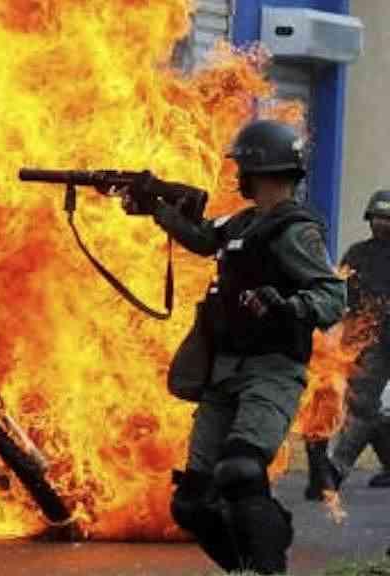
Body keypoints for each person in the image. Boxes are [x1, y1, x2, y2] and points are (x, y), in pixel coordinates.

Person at [127, 119, 347, 574]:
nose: (237, 177)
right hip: (223, 370)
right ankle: (244, 565)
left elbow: (331, 296)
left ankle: (266, 567)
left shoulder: (293, 229)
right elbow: (202, 237)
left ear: (262, 171)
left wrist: (287, 306)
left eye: (242, 168)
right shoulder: (243, 222)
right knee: (192, 502)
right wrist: (156, 206)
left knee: (240, 471)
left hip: (271, 370)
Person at [305, 190, 390, 498]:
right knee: (363, 404)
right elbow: (341, 294)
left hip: (384, 337)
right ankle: (343, 469)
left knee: (363, 405)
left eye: (387, 219)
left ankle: (336, 469)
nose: (382, 224)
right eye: (377, 218)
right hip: (366, 339)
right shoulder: (358, 254)